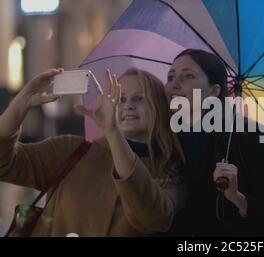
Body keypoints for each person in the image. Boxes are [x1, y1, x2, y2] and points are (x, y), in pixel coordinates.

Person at [0, 67, 186, 236]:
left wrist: (112, 133)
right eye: (120, 99)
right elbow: (5, 165)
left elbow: (153, 219)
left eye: (139, 98)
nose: (128, 105)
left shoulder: (170, 172)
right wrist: (23, 100)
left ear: (158, 107)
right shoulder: (72, 150)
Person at [164, 49, 264, 236]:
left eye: (188, 76)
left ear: (214, 91)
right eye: (170, 77)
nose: (174, 85)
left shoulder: (251, 136)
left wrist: (238, 198)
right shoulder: (166, 138)